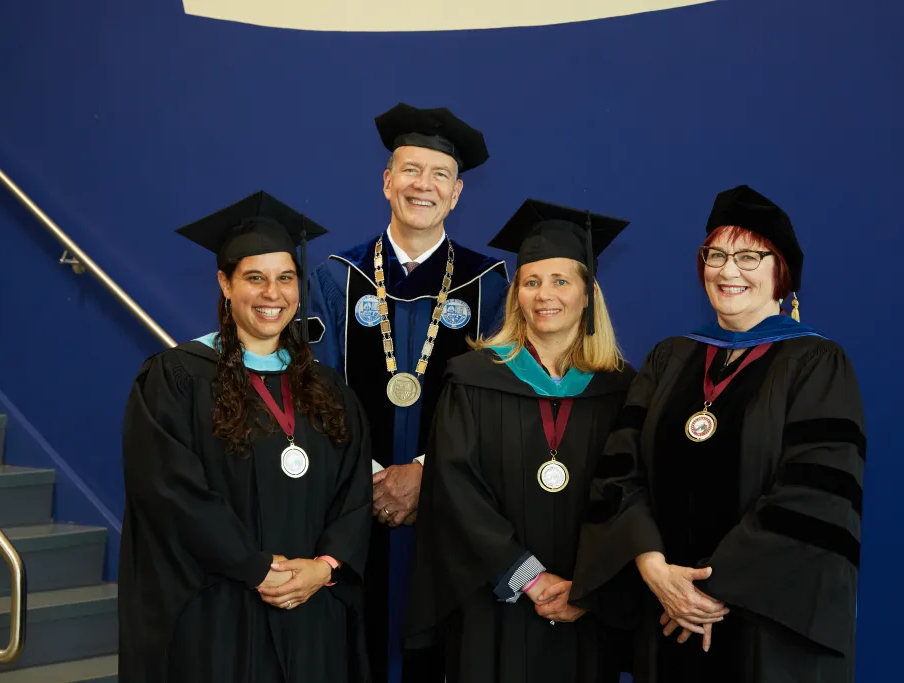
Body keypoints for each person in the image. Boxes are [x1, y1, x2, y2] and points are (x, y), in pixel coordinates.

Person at [571, 185, 866, 682]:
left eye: (750, 256)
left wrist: (707, 590)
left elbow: (815, 495)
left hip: (764, 623)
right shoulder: (670, 358)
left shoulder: (816, 363)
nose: (728, 271)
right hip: (663, 612)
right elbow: (619, 472)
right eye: (717, 254)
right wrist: (653, 568)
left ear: (781, 272)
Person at [118, 191, 373, 683]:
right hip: (218, 608)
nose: (271, 294)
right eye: (254, 278)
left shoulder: (328, 388)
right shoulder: (177, 378)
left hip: (311, 606)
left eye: (285, 278)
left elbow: (354, 493)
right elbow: (170, 492)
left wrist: (325, 567)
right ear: (225, 284)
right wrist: (253, 566)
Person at [308, 103, 510, 683]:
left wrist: (424, 470)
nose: (423, 185)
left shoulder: (492, 285)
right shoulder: (335, 277)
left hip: (449, 503)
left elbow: (497, 404)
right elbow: (317, 388)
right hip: (353, 501)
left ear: (457, 193)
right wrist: (369, 475)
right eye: (411, 169)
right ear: (387, 181)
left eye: (439, 174)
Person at [405, 199, 638, 683]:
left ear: (588, 294)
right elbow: (454, 491)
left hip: (584, 606)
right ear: (516, 295)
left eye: (560, 281)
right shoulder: (472, 380)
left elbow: (631, 496)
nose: (544, 295)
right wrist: (527, 577)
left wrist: (586, 586)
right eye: (530, 282)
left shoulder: (622, 390)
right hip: (494, 606)